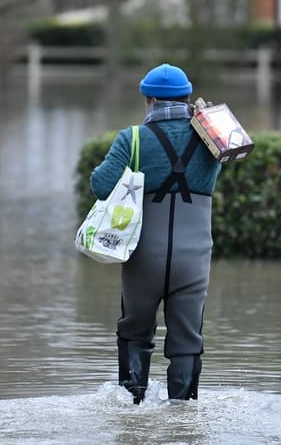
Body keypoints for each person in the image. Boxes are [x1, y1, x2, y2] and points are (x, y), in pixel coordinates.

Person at [90, 63, 222, 403]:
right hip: (193, 261)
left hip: (143, 258)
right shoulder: (211, 138)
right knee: (187, 341)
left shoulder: (132, 138)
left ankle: (131, 411)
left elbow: (101, 186)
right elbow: (233, 147)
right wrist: (205, 119)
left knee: (134, 332)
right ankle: (183, 417)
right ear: (188, 98)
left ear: (149, 100)